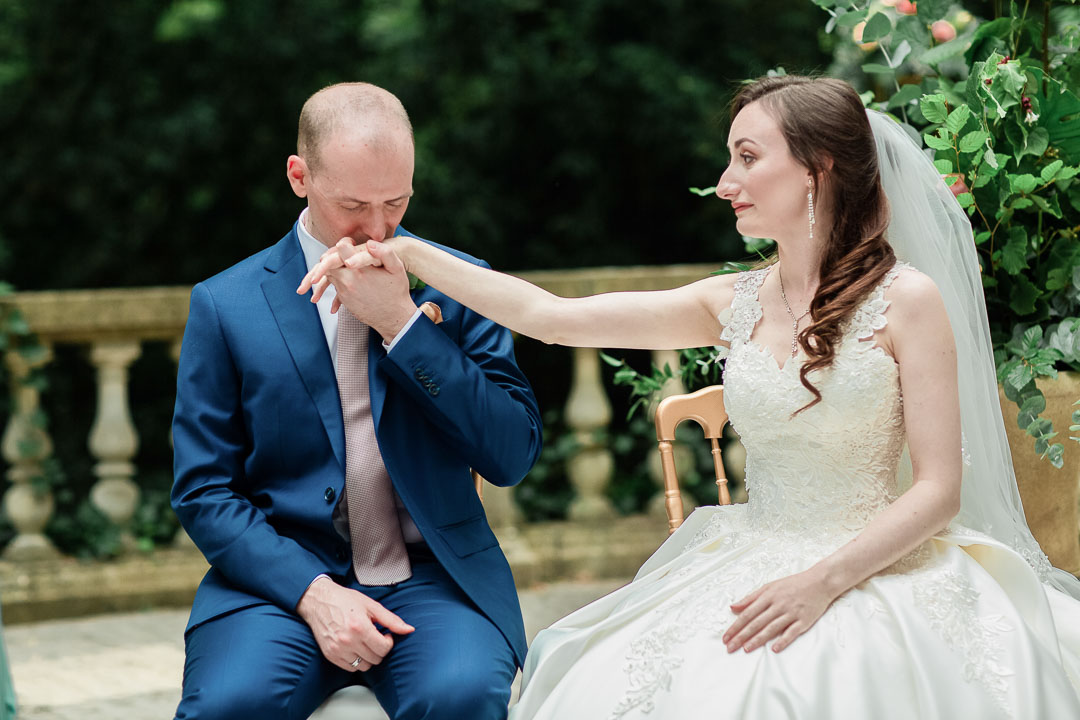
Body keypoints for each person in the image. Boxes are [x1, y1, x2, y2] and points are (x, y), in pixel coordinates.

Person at [301, 75, 1080, 718]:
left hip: (879, 570)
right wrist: (406, 251)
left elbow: (940, 490)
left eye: (747, 158)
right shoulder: (729, 301)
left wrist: (821, 583)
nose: (725, 183)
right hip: (754, 552)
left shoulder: (908, 301)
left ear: (818, 169)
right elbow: (549, 317)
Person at [171, 82, 543, 719]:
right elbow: (204, 489)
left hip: (436, 573)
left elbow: (511, 456)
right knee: (230, 705)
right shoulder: (224, 305)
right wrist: (311, 592)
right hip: (278, 583)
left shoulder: (463, 284)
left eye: (396, 203)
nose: (377, 229)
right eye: (353, 205)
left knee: (460, 696)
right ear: (299, 177)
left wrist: (403, 326)